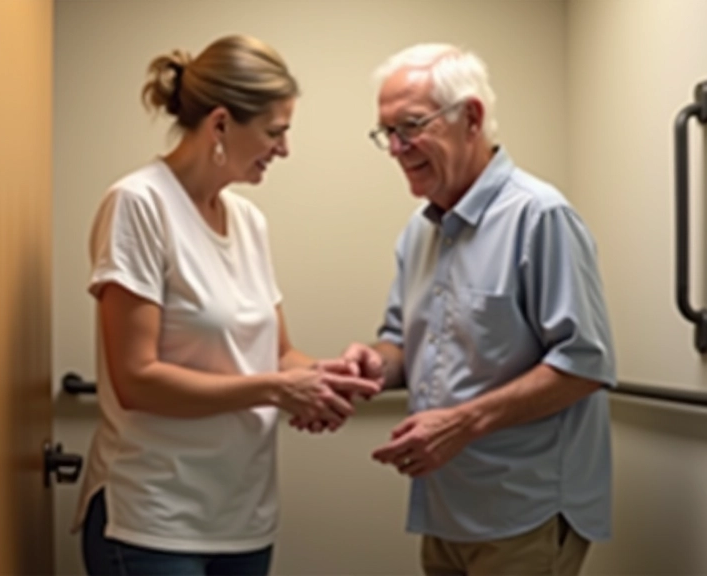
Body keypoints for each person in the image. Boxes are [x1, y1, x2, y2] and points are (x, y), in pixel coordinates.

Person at [72, 35, 381, 576]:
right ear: (220, 124)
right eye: (275, 132)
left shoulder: (248, 221)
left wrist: (329, 377)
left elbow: (276, 355)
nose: (284, 149)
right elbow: (136, 380)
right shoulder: (139, 205)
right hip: (153, 519)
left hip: (242, 518)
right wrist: (277, 389)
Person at [329, 43, 617, 575]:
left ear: (472, 118)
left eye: (411, 126)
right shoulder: (420, 231)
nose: (396, 148)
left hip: (523, 511)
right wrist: (373, 364)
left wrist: (462, 424)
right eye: (387, 132)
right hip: (445, 508)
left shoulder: (540, 216)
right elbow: (403, 344)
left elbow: (584, 364)